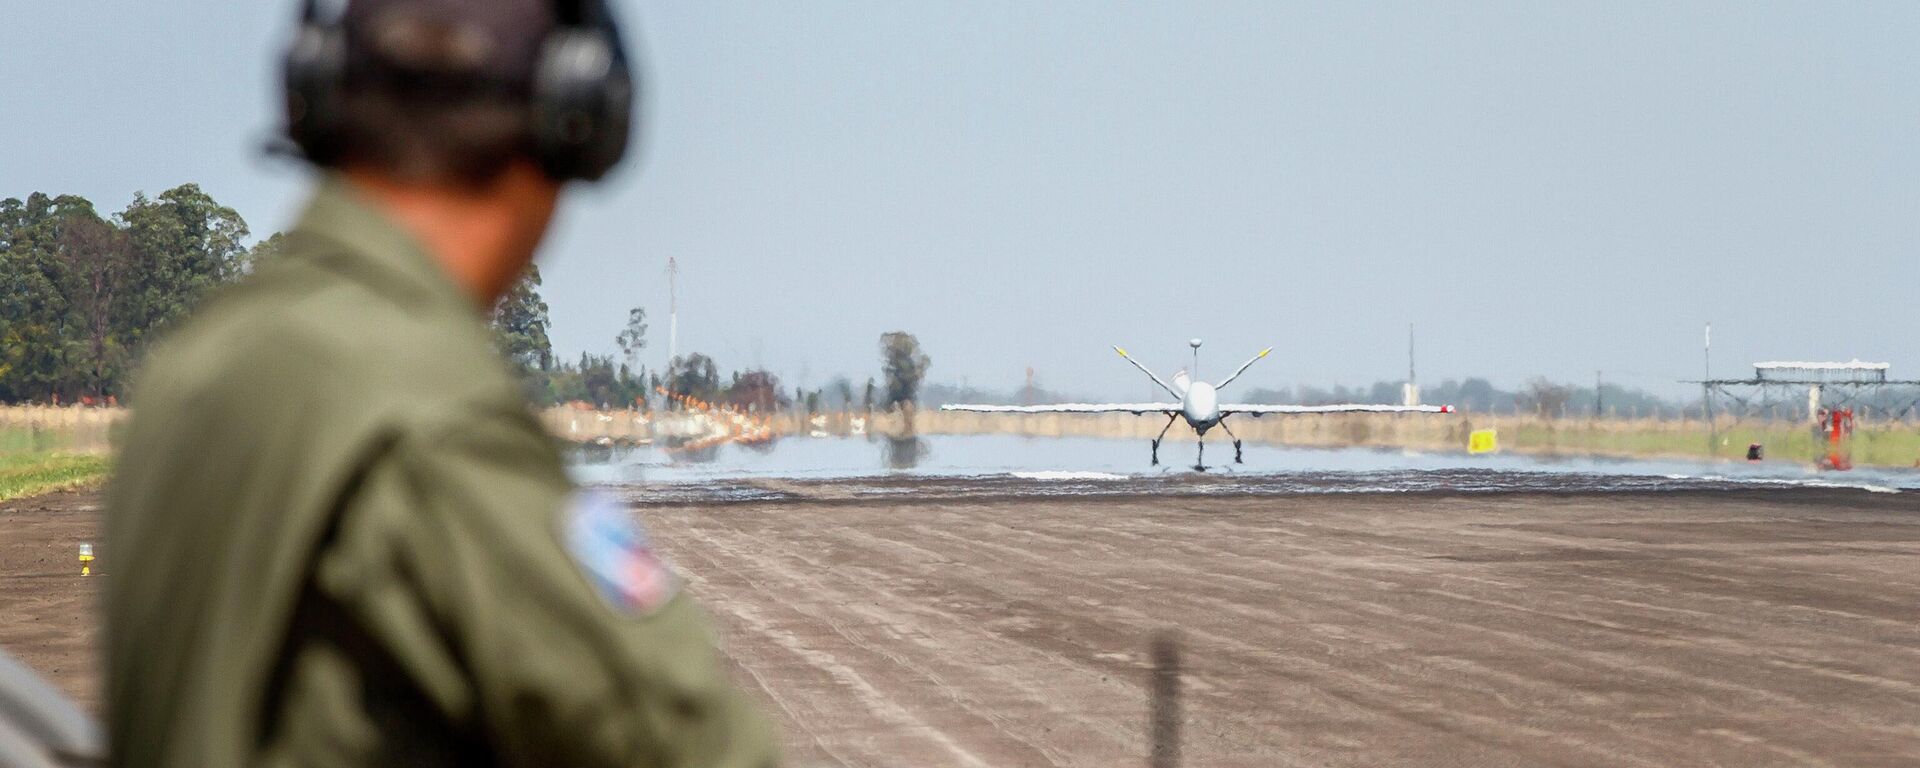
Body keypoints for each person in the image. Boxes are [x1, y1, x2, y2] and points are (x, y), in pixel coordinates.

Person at [103, 1, 778, 765]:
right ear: (572, 121)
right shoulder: (433, 421)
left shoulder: (197, 366)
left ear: (321, 95)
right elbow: (695, 744)